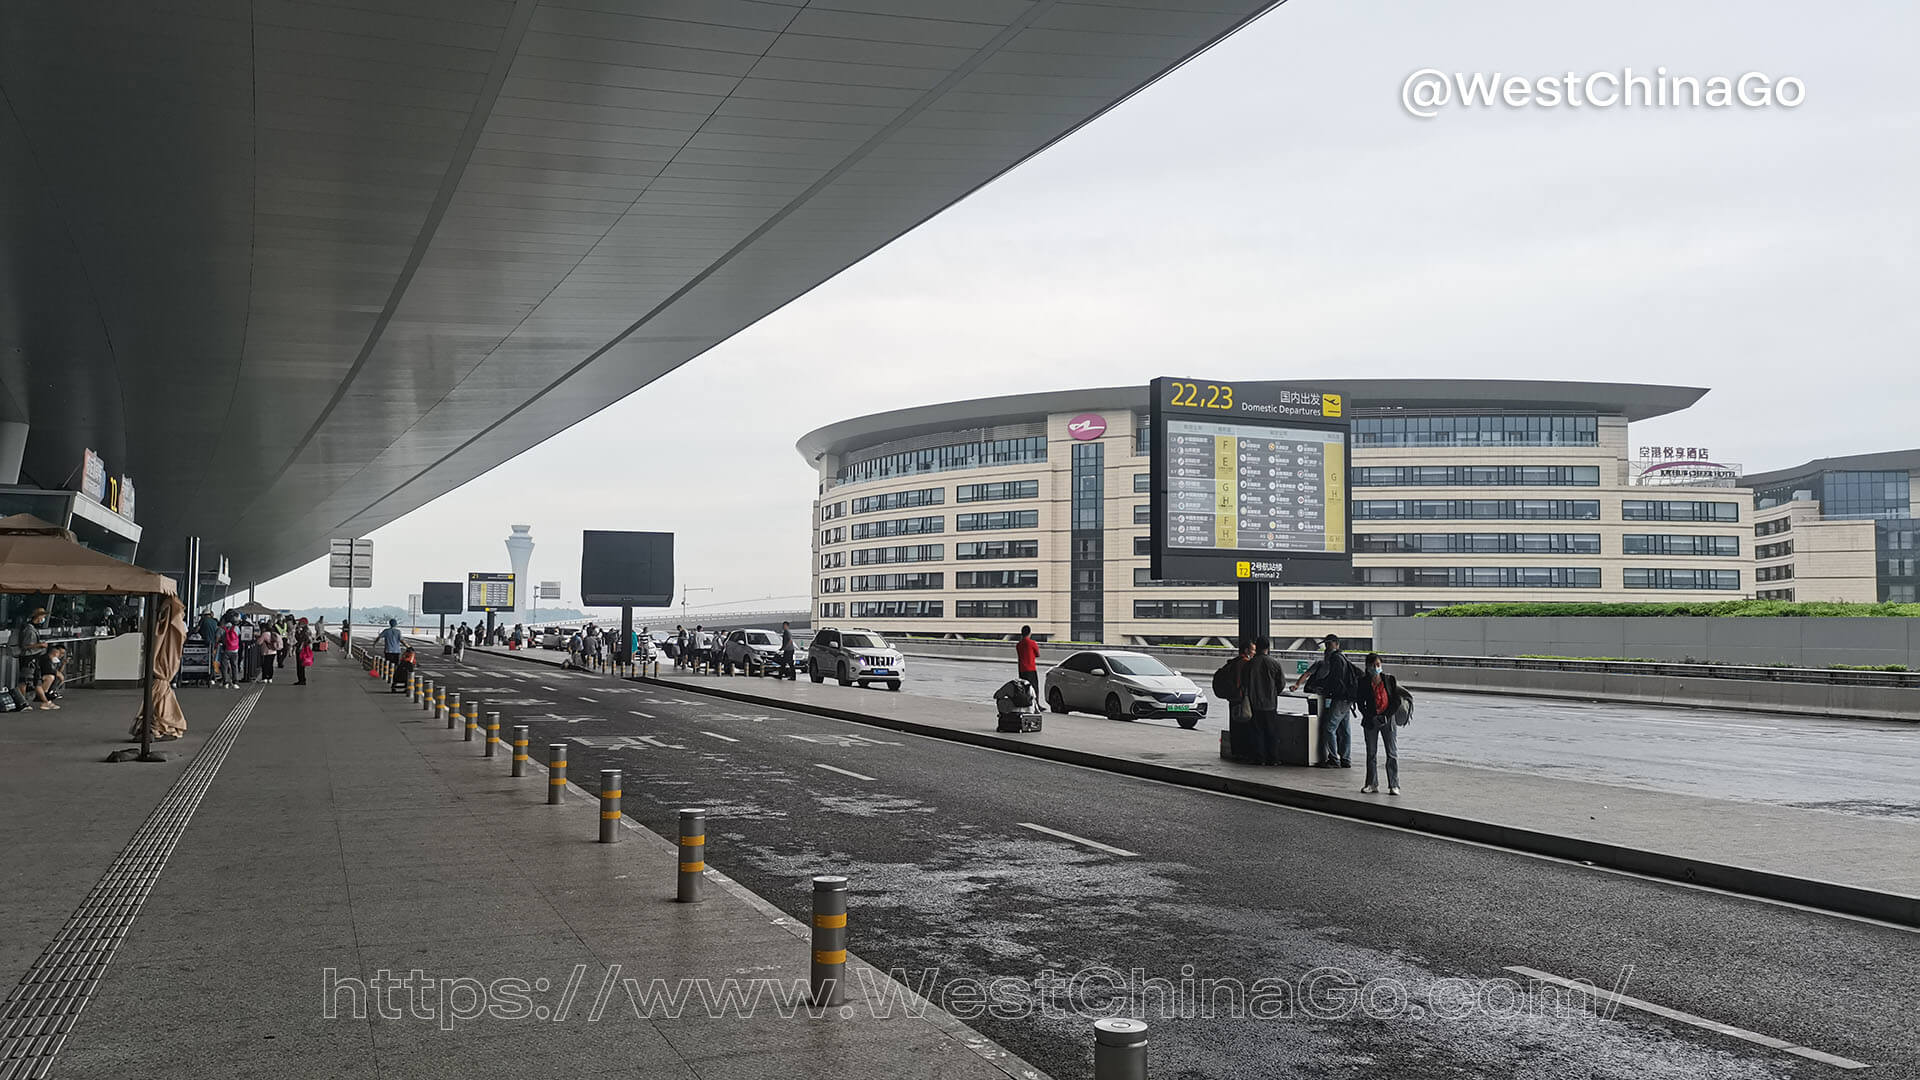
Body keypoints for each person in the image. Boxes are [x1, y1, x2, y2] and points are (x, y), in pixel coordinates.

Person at [1290, 633, 1358, 769]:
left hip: (1339, 698)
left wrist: (1326, 689)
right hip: (1345, 698)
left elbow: (1335, 679)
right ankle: (1345, 759)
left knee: (1329, 728)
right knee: (1344, 729)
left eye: (1330, 644)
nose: (1327, 647)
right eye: (1326, 645)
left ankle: (1334, 759)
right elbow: (1308, 674)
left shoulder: (1336, 659)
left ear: (1337, 644)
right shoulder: (1336, 659)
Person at [1355, 653, 1409, 795]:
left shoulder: (1389, 680)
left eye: (1378, 664)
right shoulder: (1363, 682)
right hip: (1371, 721)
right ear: (1367, 667)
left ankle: (1394, 784)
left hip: (1388, 720)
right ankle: (1371, 783)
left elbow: (1396, 700)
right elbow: (1360, 703)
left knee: (1391, 753)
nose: (1376, 667)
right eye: (1373, 665)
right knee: (1371, 753)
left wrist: (1386, 716)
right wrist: (1370, 716)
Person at [1244, 637, 1290, 766]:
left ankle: (1259, 758)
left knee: (1256, 732)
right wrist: (1274, 692)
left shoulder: (1250, 664)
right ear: (1267, 648)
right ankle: (1273, 758)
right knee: (1271, 732)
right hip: (1270, 704)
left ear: (1257, 647)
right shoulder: (1274, 663)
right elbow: (1281, 683)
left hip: (1254, 703)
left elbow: (1244, 683)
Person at [17, 642, 65, 710]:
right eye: (59, 653)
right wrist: (39, 645)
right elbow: (24, 645)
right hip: (29, 659)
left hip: (34, 661)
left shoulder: (52, 659)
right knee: (25, 680)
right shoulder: (46, 658)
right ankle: (23, 702)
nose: (60, 655)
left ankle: (44, 700)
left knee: (36, 682)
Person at [1015, 625, 1041, 703]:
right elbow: (1038, 654)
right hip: (1031, 669)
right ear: (1029, 633)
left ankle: (1026, 703)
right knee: (1034, 687)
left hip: (1021, 669)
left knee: (1024, 688)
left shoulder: (1018, 644)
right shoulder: (1032, 643)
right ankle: (1036, 704)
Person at [218, 618, 242, 688]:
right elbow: (238, 636)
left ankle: (225, 682)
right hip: (235, 650)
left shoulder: (222, 628)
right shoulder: (236, 628)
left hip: (226, 650)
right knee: (234, 666)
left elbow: (218, 638)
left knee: (224, 666)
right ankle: (235, 682)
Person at [293, 618, 314, 685]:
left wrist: (299, 647)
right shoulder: (307, 630)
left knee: (300, 665)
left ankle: (301, 680)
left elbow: (301, 640)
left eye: (300, 622)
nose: (299, 623)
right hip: (304, 649)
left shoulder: (304, 631)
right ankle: (302, 679)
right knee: (301, 665)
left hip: (301, 649)